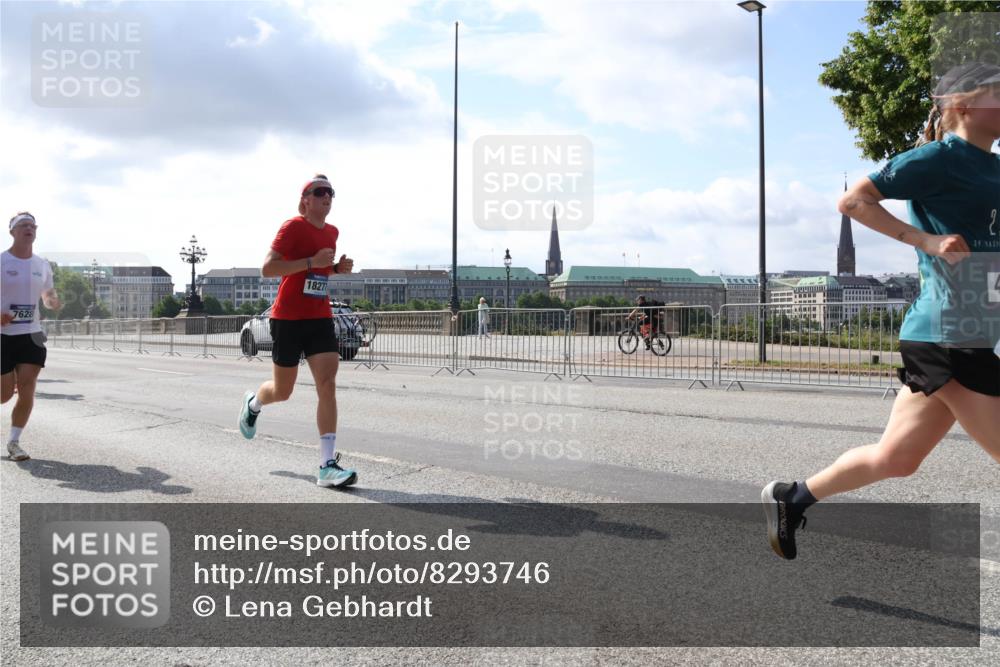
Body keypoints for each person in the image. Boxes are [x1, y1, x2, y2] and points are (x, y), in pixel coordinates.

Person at [762, 62, 1000, 559]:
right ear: (962, 105)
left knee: (896, 458)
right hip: (948, 333)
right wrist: (926, 240)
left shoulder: (993, 167)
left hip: (972, 329)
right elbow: (854, 202)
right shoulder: (938, 158)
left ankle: (792, 498)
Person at [237, 175, 358, 488]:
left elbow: (320, 271)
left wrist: (335, 269)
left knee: (327, 384)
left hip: (319, 316)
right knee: (283, 391)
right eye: (320, 192)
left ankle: (327, 466)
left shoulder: (332, 232)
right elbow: (268, 268)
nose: (327, 197)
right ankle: (254, 404)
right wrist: (310, 261)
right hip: (288, 318)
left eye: (331, 192)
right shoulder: (292, 227)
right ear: (306, 199)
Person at [1, 212, 61, 461]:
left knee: (27, 388)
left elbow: (47, 293)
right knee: (4, 395)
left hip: (31, 334)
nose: (30, 228)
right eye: (24, 225)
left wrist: (52, 301)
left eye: (33, 226)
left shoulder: (42, 265)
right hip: (3, 335)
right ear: (12, 231)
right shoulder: (2, 262)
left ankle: (14, 443)